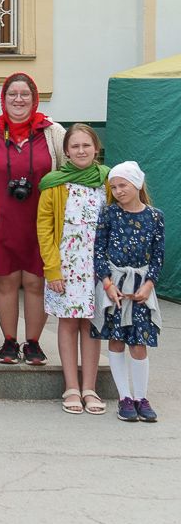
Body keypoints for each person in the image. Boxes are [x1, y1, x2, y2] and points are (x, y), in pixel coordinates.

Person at [0, 72, 65, 367]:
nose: (18, 100)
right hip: (2, 221)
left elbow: (69, 170)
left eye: (24, 94)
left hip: (40, 223)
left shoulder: (52, 132)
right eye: (12, 94)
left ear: (34, 98)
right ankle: (8, 341)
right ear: (3, 99)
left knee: (35, 282)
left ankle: (33, 343)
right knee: (5, 282)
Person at [37, 124, 109, 414]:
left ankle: (90, 388)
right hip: (66, 267)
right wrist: (52, 269)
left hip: (98, 268)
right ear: (66, 151)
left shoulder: (108, 181)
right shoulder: (54, 184)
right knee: (68, 323)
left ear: (96, 149)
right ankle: (71, 386)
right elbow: (44, 228)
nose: (81, 151)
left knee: (91, 325)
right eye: (75, 146)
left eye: (86, 146)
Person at [93, 161, 163, 423]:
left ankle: (141, 397)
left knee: (139, 341)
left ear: (137, 184)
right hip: (116, 288)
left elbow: (157, 255)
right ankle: (124, 398)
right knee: (116, 339)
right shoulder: (110, 214)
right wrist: (108, 284)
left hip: (140, 288)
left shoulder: (155, 216)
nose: (119, 190)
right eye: (114, 186)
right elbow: (98, 250)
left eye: (123, 185)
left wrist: (148, 285)